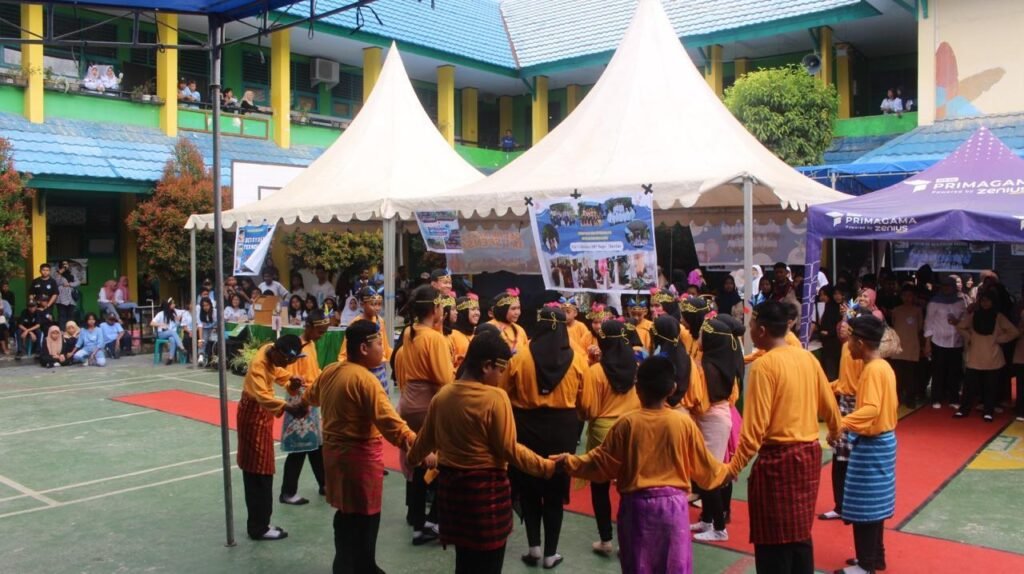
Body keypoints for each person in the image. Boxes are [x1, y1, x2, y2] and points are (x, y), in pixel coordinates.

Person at [555, 356, 729, 573]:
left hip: (637, 509)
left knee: (638, 565)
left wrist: (569, 462)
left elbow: (601, 461)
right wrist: (730, 470)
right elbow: (706, 467)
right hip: (674, 509)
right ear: (672, 388)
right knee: (673, 567)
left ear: (637, 389)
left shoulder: (627, 423)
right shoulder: (683, 423)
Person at [408, 330, 556, 574]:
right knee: (489, 564)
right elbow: (509, 449)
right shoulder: (496, 398)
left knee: (464, 562)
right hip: (485, 495)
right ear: (487, 366)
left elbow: (424, 442)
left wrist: (413, 459)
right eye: (501, 369)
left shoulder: (443, 396)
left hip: (453, 494)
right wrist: (546, 466)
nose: (502, 376)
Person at [727, 301, 841, 574]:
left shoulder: (766, 366)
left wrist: (732, 468)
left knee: (773, 539)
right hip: (809, 455)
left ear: (762, 330)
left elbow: (754, 431)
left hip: (778, 460)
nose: (750, 329)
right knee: (800, 532)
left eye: (752, 325)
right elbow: (829, 405)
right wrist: (835, 432)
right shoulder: (805, 357)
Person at [302, 320, 415, 573]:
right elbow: (391, 424)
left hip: (333, 456)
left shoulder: (331, 370)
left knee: (345, 512)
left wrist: (298, 405)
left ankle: (345, 562)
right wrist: (419, 447)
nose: (383, 352)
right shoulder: (365, 380)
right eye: (378, 344)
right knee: (365, 514)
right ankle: (363, 565)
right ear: (364, 348)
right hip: (358, 458)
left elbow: (309, 397)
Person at [500, 306, 593, 569]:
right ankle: (552, 553)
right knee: (555, 491)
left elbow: (503, 394)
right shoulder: (577, 359)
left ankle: (534, 548)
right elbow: (585, 406)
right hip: (563, 430)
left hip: (526, 427)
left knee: (529, 487)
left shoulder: (520, 358)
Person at [393, 285, 455, 545]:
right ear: (435, 309)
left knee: (419, 463)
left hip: (408, 400)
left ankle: (419, 523)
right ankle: (434, 519)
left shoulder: (409, 332)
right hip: (428, 402)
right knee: (445, 460)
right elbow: (444, 378)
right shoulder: (435, 338)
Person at [838, 315, 900, 574]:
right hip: (881, 442)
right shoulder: (882, 366)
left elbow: (872, 409)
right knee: (875, 505)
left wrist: (842, 423)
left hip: (872, 443)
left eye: (850, 338)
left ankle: (865, 565)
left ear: (860, 342)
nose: (847, 343)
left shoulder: (873, 369)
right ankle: (874, 557)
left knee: (865, 506)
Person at [579, 319, 641, 555]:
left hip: (602, 433)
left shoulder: (596, 371)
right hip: (630, 429)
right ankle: (629, 541)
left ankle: (605, 540)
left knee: (599, 487)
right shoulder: (635, 367)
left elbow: (588, 409)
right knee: (629, 488)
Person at [237, 334, 307, 541]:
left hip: (262, 415)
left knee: (262, 469)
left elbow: (277, 371)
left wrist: (290, 381)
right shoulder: (259, 365)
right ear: (277, 352)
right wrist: (289, 408)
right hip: (253, 416)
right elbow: (262, 396)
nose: (284, 364)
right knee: (259, 471)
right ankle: (258, 527)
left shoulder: (271, 350)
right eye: (285, 360)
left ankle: (261, 522)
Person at [691, 318, 742, 542]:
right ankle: (707, 519)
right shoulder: (717, 361)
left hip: (713, 421)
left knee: (709, 474)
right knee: (706, 472)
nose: (699, 338)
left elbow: (700, 402)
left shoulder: (708, 368)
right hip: (714, 419)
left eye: (703, 334)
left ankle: (719, 528)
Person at [279, 310, 329, 505]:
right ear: (308, 327)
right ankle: (287, 492)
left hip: (311, 398)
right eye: (319, 331)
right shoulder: (297, 349)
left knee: (316, 444)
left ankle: (324, 484)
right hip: (300, 400)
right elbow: (290, 377)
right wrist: (299, 391)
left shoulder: (311, 345)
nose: (321, 335)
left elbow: (314, 370)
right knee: (299, 448)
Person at [818, 325, 864, 523]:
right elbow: (845, 381)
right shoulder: (847, 348)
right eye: (840, 326)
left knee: (852, 460)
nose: (841, 329)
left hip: (856, 404)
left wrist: (841, 425)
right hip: (846, 401)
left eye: (846, 327)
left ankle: (851, 506)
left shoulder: (867, 358)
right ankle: (842, 505)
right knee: (840, 459)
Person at [954, 290, 1019, 422]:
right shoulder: (974, 315)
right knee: (969, 385)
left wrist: (999, 339)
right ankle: (964, 409)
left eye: (988, 300)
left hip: (992, 356)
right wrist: (970, 336)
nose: (985, 303)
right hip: (976, 355)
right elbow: (960, 327)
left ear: (993, 302)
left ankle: (988, 411)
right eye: (983, 300)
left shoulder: (998, 316)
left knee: (990, 386)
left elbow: (1014, 331)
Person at [338, 287, 391, 392]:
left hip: (380, 368)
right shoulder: (355, 324)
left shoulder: (380, 321)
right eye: (372, 304)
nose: (377, 308)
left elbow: (384, 345)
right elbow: (345, 352)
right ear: (362, 304)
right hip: (362, 368)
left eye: (378, 304)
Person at [925, 277, 966, 409]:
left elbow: (965, 319)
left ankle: (954, 398)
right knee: (938, 371)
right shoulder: (934, 302)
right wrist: (927, 343)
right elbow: (929, 323)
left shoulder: (960, 302)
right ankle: (936, 398)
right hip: (939, 341)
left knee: (955, 371)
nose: (946, 288)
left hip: (956, 341)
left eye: (949, 286)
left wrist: (958, 322)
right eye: (944, 286)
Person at [890, 285, 924, 407]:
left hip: (912, 345)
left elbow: (920, 327)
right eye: (905, 295)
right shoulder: (896, 310)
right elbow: (894, 324)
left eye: (910, 295)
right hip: (898, 347)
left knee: (911, 375)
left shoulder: (917, 310)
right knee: (898, 375)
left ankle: (910, 399)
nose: (907, 298)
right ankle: (897, 398)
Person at [489, 288, 528, 353]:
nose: (517, 312)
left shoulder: (520, 330)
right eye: (513, 309)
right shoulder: (489, 328)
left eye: (518, 308)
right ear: (503, 310)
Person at [450, 294, 481, 372]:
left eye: (478, 309)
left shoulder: (476, 335)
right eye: (473, 309)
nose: (477, 313)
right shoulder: (452, 335)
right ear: (462, 311)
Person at [151, 298, 186, 365]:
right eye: (172, 303)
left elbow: (177, 324)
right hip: (162, 334)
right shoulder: (160, 314)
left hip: (171, 334)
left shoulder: (173, 314)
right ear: (168, 305)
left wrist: (178, 319)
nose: (174, 305)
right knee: (172, 332)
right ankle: (181, 347)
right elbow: (151, 323)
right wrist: (160, 324)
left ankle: (170, 358)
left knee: (172, 339)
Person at [54, 260, 80, 329]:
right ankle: (62, 330)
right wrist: (60, 273)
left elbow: (77, 282)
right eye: (63, 264)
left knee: (71, 316)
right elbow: (56, 283)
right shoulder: (57, 274)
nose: (65, 266)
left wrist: (69, 284)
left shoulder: (72, 274)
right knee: (62, 315)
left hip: (71, 298)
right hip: (61, 299)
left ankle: (70, 330)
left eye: (66, 264)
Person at [196, 297, 217, 366]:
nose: (205, 307)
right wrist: (200, 340)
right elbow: (200, 326)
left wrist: (215, 328)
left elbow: (219, 323)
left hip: (215, 328)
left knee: (213, 340)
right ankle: (201, 356)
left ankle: (214, 358)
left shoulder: (215, 312)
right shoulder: (200, 313)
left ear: (210, 305)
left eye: (207, 305)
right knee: (203, 340)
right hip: (205, 329)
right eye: (203, 306)